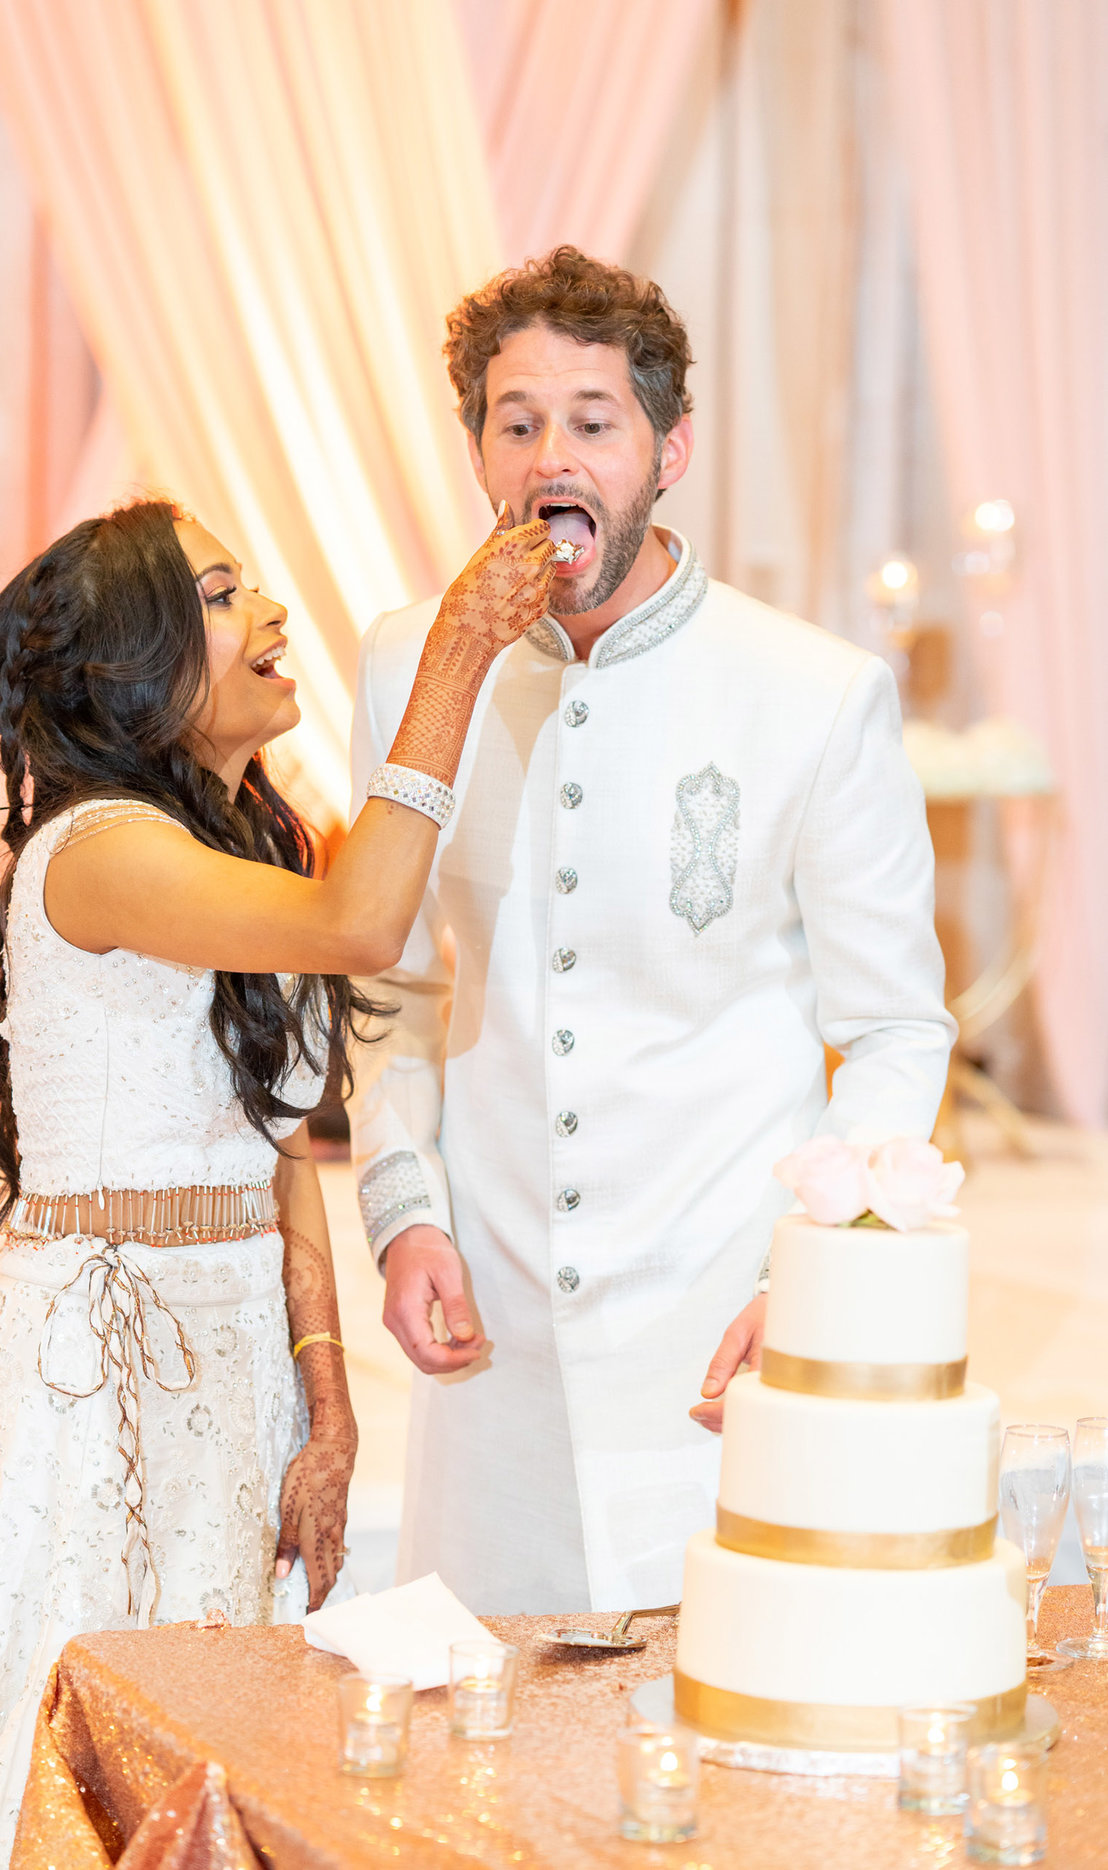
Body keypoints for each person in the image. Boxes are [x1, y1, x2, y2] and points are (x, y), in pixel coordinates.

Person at [0, 498, 554, 1870]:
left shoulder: (254, 838)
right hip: (97, 1378)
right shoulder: (102, 850)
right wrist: (459, 655)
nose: (273, 614)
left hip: (234, 1359)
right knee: (80, 1738)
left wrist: (331, 1398)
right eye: (225, 594)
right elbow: (365, 923)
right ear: (136, 661)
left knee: (204, 1743)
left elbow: (281, 1145)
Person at [347, 247, 955, 1617]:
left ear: (670, 447)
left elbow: (897, 1027)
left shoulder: (811, 691)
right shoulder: (409, 659)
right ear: (480, 454)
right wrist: (402, 1215)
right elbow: (377, 979)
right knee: (475, 1773)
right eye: (516, 423)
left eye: (593, 421)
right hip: (485, 1339)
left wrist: (822, 1269)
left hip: (721, 1341)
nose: (550, 455)